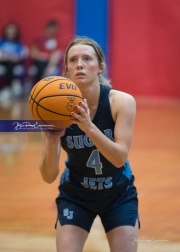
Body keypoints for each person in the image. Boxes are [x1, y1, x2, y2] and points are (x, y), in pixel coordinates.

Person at [39, 37, 140, 252]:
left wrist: (88, 127)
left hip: (118, 194)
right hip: (76, 195)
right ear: (66, 69)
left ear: (101, 66)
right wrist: (51, 140)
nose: (80, 65)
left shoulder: (121, 102)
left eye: (87, 59)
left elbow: (119, 158)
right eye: (73, 60)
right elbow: (48, 177)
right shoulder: (54, 109)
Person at [0, 22, 29, 99]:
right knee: (7, 65)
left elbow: (19, 56)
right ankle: (9, 86)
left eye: (12, 32)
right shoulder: (1, 42)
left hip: (14, 63)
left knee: (10, 66)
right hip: (3, 63)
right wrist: (9, 56)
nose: (10, 34)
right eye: (8, 31)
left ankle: (9, 87)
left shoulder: (18, 43)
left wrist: (8, 56)